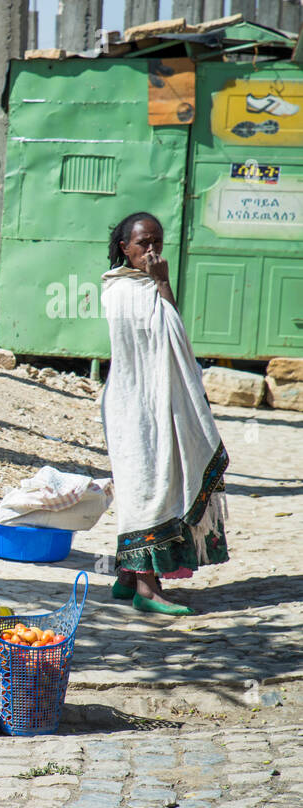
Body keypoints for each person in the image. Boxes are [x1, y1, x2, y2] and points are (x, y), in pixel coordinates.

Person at [101, 212, 229, 616]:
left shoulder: (148, 286)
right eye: (143, 244)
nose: (152, 250)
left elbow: (173, 332)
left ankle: (126, 579)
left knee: (152, 484)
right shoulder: (120, 290)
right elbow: (163, 333)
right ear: (126, 248)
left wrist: (161, 282)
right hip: (135, 405)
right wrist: (159, 283)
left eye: (157, 242)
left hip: (156, 401)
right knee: (146, 488)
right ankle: (147, 588)